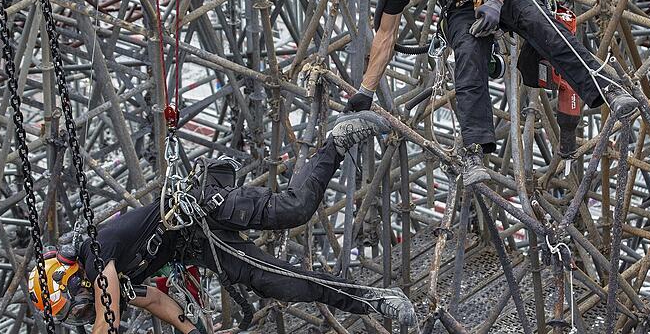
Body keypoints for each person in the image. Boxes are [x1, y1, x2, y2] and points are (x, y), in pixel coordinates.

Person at [28, 112, 418, 333]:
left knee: (295, 209)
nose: (83, 314)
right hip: (199, 242)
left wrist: (98, 322)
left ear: (71, 280)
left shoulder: (98, 255)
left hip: (202, 209)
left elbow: (106, 320)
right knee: (277, 281)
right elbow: (159, 301)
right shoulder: (109, 278)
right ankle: (376, 300)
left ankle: (337, 139)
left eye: (75, 309)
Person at [347, 0, 638, 186]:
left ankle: (609, 89)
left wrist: (496, 2)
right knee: (467, 57)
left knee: (543, 26)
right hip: (460, 6)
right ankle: (474, 151)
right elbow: (386, 35)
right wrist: (365, 92)